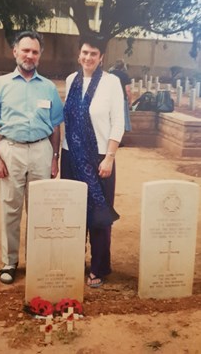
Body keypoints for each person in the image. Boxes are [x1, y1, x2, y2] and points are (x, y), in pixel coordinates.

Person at [0, 31, 64, 285]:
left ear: (40, 56)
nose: (30, 55)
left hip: (41, 151)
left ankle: (37, 258)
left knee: (41, 209)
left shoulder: (48, 87)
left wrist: (55, 157)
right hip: (11, 151)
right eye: (25, 50)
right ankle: (9, 261)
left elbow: (56, 126)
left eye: (35, 52)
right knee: (10, 208)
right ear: (15, 51)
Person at [60, 33, 124, 288]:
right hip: (70, 155)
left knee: (98, 214)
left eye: (93, 54)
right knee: (73, 212)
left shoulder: (111, 83)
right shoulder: (71, 80)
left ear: (101, 58)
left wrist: (110, 157)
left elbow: (118, 121)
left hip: (99, 157)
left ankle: (98, 267)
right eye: (85, 53)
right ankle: (74, 261)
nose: (88, 57)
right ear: (79, 55)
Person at [109, 59, 132, 132]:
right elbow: (127, 90)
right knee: (121, 120)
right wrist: (130, 101)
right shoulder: (124, 75)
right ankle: (118, 140)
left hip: (111, 99)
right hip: (121, 100)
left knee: (111, 119)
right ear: (123, 67)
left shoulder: (110, 74)